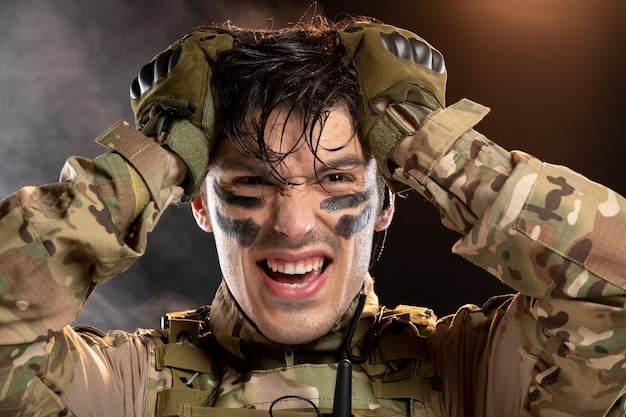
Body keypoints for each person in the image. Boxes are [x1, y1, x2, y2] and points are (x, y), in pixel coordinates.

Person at [1, 15, 625, 417]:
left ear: (387, 199)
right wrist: (154, 157)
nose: (293, 224)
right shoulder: (123, 391)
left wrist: (429, 143)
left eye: (336, 180)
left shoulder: (480, 376)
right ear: (196, 200)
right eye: (250, 183)